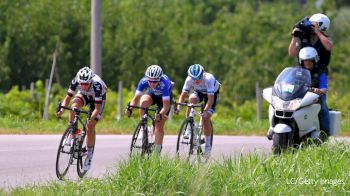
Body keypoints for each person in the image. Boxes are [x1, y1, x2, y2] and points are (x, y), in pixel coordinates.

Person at [56, 66, 107, 171]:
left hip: (97, 99)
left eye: (86, 84)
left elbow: (97, 109)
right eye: (81, 84)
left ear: (90, 81)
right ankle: (72, 131)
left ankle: (89, 156)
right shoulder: (76, 81)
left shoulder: (97, 85)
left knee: (89, 126)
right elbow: (67, 98)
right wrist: (61, 110)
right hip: (84, 95)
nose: (83, 86)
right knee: (73, 108)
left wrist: (90, 119)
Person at [175, 64, 220, 158]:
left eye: (198, 78)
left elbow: (210, 99)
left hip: (211, 94)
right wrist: (178, 108)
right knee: (191, 101)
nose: (196, 80)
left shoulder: (209, 79)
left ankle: (208, 146)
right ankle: (188, 126)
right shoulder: (188, 79)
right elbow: (183, 95)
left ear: (202, 74)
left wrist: (205, 110)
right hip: (199, 92)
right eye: (194, 78)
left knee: (205, 117)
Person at [126, 65, 172, 154]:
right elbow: (136, 98)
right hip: (152, 94)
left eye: (155, 81)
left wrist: (160, 115)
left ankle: (157, 153)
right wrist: (130, 108)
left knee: (159, 124)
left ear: (159, 79)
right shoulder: (143, 81)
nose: (152, 83)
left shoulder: (164, 83)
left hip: (164, 99)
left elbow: (166, 106)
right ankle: (143, 127)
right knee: (143, 103)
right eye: (150, 81)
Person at [299, 46, 330, 140]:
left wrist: (319, 90)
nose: (307, 62)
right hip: (300, 96)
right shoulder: (298, 71)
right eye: (305, 60)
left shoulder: (321, 71)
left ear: (314, 60)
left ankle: (325, 132)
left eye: (310, 60)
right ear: (301, 60)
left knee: (323, 107)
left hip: (316, 97)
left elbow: (324, 88)